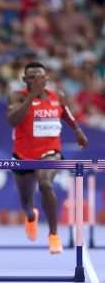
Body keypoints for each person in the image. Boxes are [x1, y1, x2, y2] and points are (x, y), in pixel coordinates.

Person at [7, 61, 89, 254]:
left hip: (50, 153)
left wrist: (77, 130)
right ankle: (30, 216)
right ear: (25, 79)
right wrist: (32, 97)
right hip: (22, 155)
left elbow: (66, 113)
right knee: (26, 200)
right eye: (33, 77)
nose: (38, 80)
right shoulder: (17, 96)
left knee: (45, 184)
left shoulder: (56, 96)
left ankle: (53, 235)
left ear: (47, 78)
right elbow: (13, 119)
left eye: (41, 76)